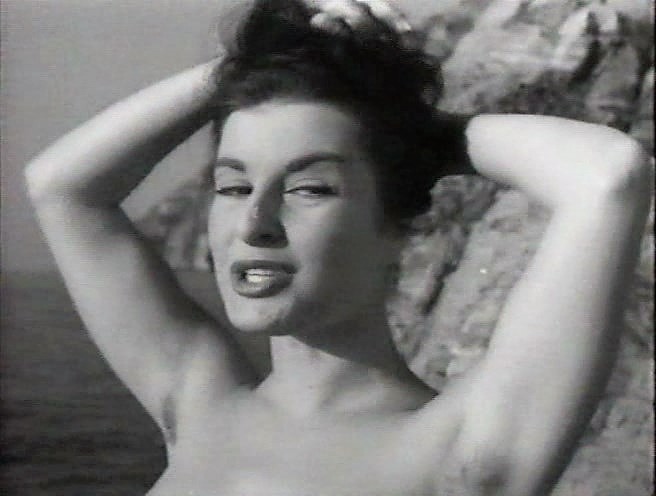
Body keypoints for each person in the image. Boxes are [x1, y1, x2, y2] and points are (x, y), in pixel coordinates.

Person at [24, 0, 651, 494]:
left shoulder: (464, 451)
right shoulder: (197, 406)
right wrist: (242, 69)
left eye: (310, 188)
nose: (255, 223)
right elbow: (61, 187)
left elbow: (607, 175)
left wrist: (403, 131)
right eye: (234, 186)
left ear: (396, 224)